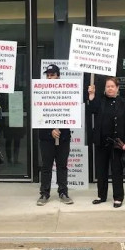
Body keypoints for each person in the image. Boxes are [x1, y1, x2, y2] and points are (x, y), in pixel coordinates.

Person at [87, 77, 125, 208]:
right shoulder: (100, 101)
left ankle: (118, 197)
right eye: (108, 86)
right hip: (102, 142)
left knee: (116, 170)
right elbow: (92, 109)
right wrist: (91, 95)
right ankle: (101, 195)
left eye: (112, 86)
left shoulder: (124, 103)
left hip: (117, 143)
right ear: (105, 88)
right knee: (101, 171)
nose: (110, 88)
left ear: (117, 88)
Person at [37, 64, 73, 206]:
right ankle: (44, 193)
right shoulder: (40, 92)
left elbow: (71, 113)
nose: (50, 77)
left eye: (52, 75)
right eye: (48, 75)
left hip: (63, 137)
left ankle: (63, 192)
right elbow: (38, 115)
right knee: (46, 166)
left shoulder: (67, 92)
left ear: (58, 76)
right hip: (46, 138)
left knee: (62, 165)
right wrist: (49, 131)